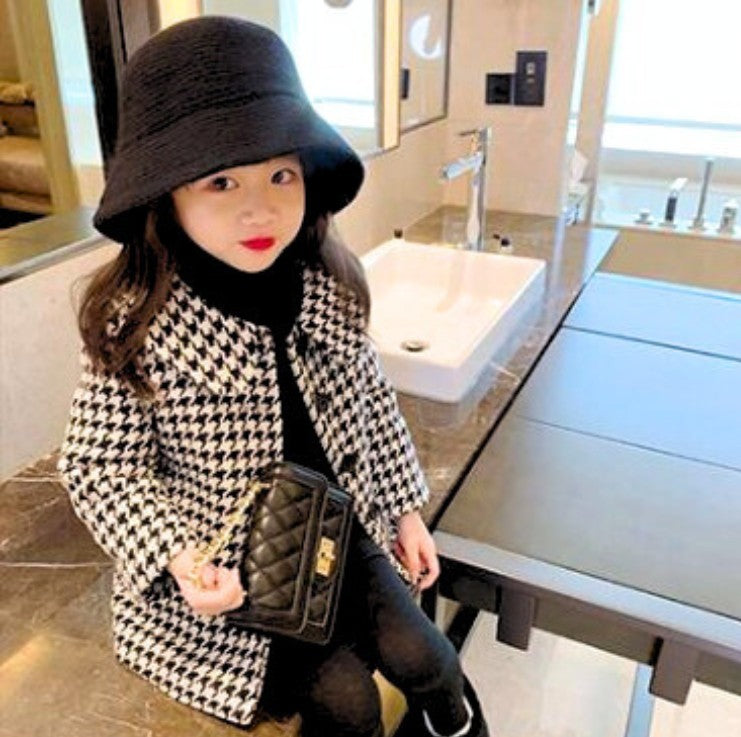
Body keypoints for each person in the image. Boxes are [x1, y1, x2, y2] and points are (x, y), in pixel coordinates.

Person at [58, 16, 489, 737]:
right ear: (166, 194)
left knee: (430, 659)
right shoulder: (135, 322)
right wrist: (179, 556)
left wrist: (405, 509)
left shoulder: (324, 283)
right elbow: (98, 466)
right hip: (235, 575)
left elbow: (371, 402)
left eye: (280, 174)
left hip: (342, 528)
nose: (259, 207)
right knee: (348, 706)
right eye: (221, 181)